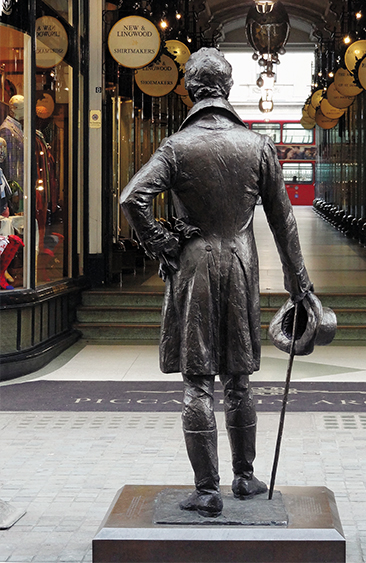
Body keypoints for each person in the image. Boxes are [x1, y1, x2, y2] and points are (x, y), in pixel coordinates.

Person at [120, 48, 313, 518]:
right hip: (242, 264)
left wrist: (163, 245)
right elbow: (284, 221)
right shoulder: (257, 146)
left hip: (194, 267)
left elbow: (131, 198)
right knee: (239, 382)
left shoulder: (176, 146)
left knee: (198, 383)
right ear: (228, 89)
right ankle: (245, 477)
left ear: (190, 88)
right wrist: (299, 284)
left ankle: (206, 490)